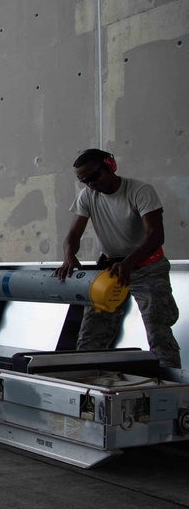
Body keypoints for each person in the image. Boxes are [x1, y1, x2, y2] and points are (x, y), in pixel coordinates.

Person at [53, 148, 181, 368]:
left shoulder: (140, 191)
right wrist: (69, 255)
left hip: (148, 268)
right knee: (92, 335)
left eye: (94, 177)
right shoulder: (87, 196)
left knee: (158, 330)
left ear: (110, 166)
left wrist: (129, 262)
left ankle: (171, 392)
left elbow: (156, 235)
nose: (91, 184)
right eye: (84, 180)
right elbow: (74, 234)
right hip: (111, 269)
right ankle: (88, 384)